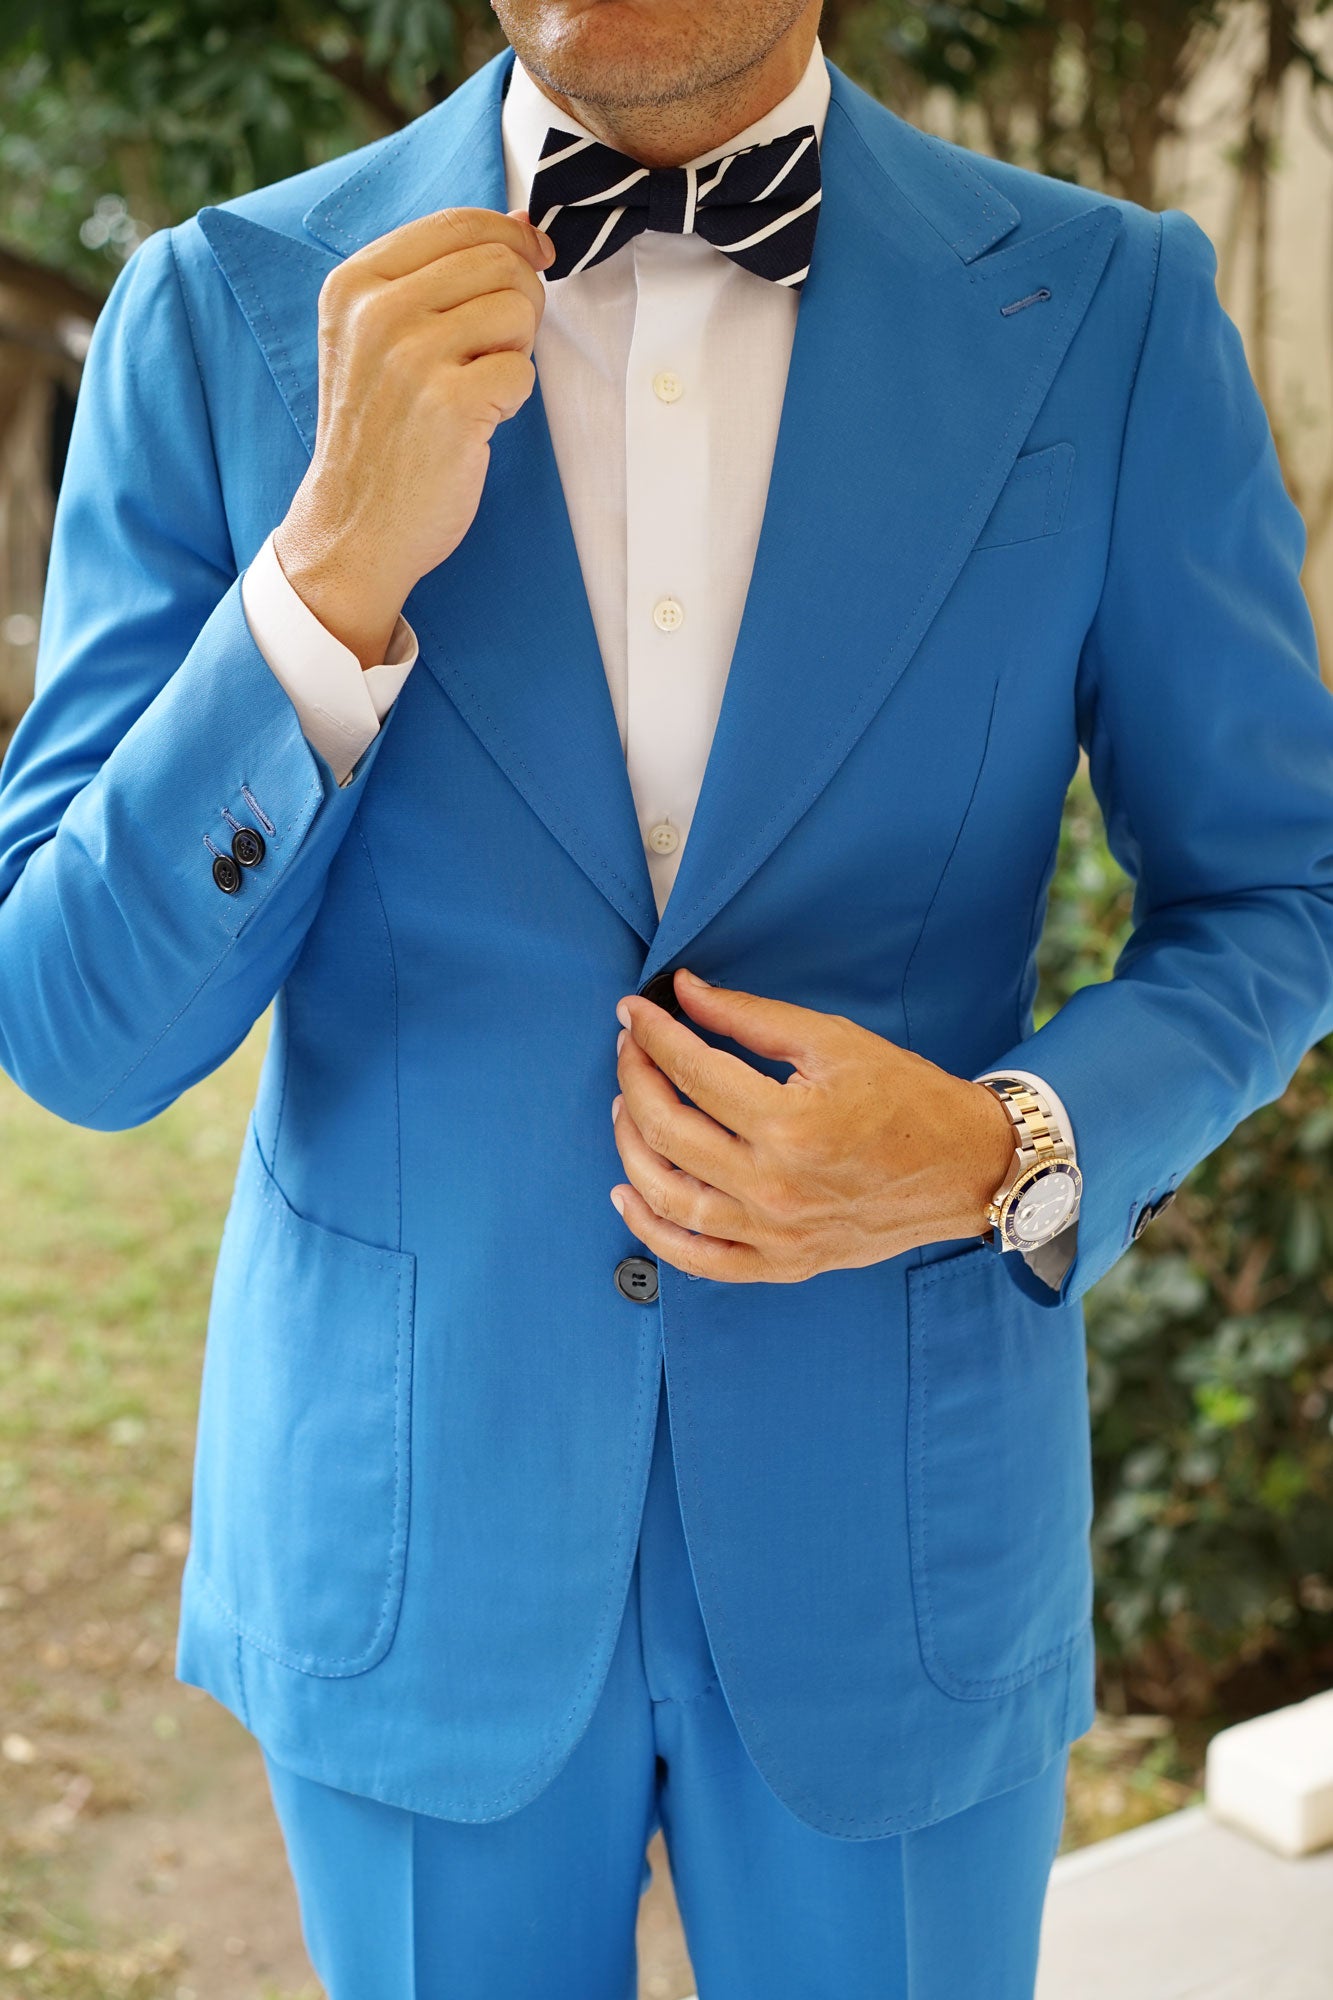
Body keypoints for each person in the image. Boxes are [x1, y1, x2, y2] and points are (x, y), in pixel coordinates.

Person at [1, 0, 1331, 1992]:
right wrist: (322, 579)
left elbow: (1274, 890)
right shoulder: (220, 312)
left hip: (898, 1542)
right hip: (412, 1534)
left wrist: (1004, 1145)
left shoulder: (1105, 313)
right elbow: (77, 1026)